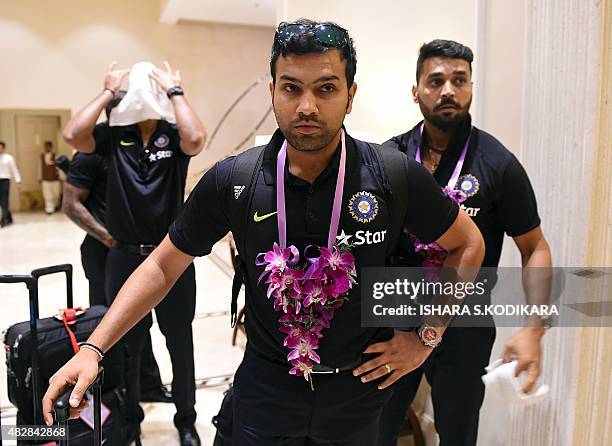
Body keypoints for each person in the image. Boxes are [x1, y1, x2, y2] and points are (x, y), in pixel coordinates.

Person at [43, 22, 484, 445]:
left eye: (326, 88)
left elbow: (468, 243)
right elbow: (162, 264)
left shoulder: (391, 174)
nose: (307, 106)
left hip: (359, 396)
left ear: (350, 96)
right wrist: (93, 348)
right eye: (291, 87)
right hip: (267, 389)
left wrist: (426, 337)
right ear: (272, 91)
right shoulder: (234, 180)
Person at [379, 39, 552, 446]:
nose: (448, 91)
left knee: (458, 433)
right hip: (393, 315)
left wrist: (534, 328)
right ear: (416, 90)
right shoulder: (390, 158)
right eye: (436, 80)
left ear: (471, 87)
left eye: (459, 80)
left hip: (465, 325)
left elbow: (535, 247)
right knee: (376, 429)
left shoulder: (498, 164)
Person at [58, 60, 206, 445]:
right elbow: (73, 134)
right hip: (123, 258)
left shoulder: (172, 136)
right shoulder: (111, 137)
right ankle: (131, 420)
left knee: (179, 341)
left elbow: (196, 139)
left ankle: (186, 420)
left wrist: (175, 90)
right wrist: (108, 90)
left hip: (173, 256)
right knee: (126, 345)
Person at [60, 92, 173, 405]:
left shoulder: (136, 149)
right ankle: (115, 397)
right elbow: (70, 204)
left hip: (131, 250)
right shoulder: (94, 150)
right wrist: (108, 237)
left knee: (138, 323)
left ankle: (147, 385)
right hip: (103, 252)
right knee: (111, 328)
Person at [0, 141, 21, 227]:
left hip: (5, 180)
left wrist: (18, 180)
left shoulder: (9, 158)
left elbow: (14, 170)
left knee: (5, 199)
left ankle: (4, 219)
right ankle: (9, 217)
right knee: (1, 201)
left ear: (4, 148)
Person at [41, 141, 62, 214]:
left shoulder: (56, 156)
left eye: (48, 146)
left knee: (56, 194)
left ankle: (55, 205)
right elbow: (39, 168)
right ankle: (49, 209)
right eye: (45, 146)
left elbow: (59, 168)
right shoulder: (41, 156)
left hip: (55, 179)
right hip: (45, 179)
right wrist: (39, 177)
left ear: (51, 147)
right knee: (47, 195)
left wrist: (61, 177)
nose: (47, 148)